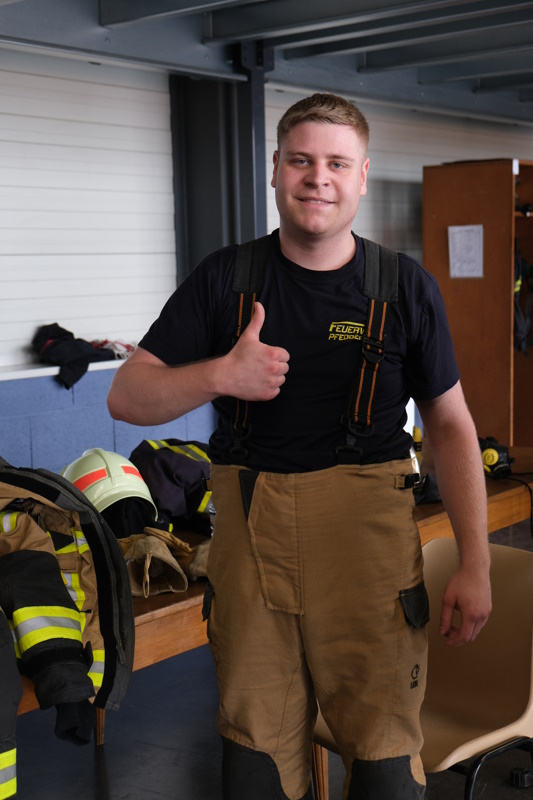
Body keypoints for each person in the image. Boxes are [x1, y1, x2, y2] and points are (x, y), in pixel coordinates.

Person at [107, 92, 491, 800]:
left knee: (381, 764)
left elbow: (450, 425)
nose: (319, 177)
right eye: (302, 160)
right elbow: (127, 397)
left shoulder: (403, 286)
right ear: (276, 171)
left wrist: (474, 562)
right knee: (253, 763)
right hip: (249, 549)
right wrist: (221, 374)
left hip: (367, 553)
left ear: (362, 176)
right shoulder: (225, 278)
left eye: (336, 163)